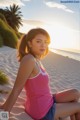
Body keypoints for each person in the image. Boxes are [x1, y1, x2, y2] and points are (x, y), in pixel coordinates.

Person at [0, 28, 80, 120]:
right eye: (39, 41)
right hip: (41, 110)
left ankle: (69, 112)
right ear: (30, 43)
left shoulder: (36, 59)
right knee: (78, 106)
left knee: (75, 93)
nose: (43, 45)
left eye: (46, 42)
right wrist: (3, 116)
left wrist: (4, 105)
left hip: (48, 99)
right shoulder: (29, 60)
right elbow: (17, 89)